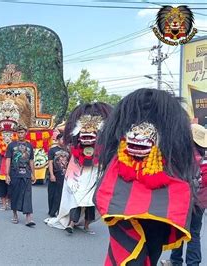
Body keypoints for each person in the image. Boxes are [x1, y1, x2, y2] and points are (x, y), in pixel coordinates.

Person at [95, 89, 194, 265]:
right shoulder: (118, 162)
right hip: (125, 214)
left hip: (156, 220)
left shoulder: (170, 164)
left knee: (152, 251)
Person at [45, 103, 112, 235]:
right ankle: (70, 223)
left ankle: (87, 226)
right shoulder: (74, 149)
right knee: (76, 199)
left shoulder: (101, 150)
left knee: (90, 202)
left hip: (93, 175)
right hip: (78, 176)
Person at [161, 123, 207, 266]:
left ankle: (175, 261)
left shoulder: (181, 153)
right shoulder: (204, 156)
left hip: (182, 200)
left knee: (178, 230)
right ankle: (193, 263)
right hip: (200, 201)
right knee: (194, 234)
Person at [5, 124, 36, 226]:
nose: (20, 134)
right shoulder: (11, 145)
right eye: (18, 132)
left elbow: (31, 160)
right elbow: (8, 160)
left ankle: (29, 217)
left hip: (26, 173)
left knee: (27, 194)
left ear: (26, 133)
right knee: (15, 194)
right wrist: (7, 174)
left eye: (22, 132)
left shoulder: (29, 146)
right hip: (14, 173)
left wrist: (33, 174)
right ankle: (15, 214)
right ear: (16, 134)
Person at [46, 133, 69, 218]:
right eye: (62, 139)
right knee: (52, 193)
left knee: (60, 194)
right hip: (55, 174)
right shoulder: (52, 150)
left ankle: (57, 211)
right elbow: (50, 163)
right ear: (58, 140)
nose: (64, 141)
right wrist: (52, 174)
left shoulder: (68, 151)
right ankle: (51, 210)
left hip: (64, 175)